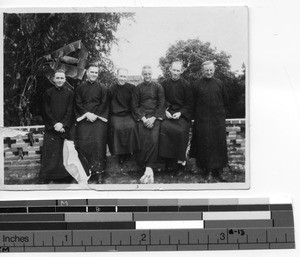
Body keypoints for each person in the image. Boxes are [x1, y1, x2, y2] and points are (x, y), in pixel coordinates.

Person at [190, 61, 229, 181]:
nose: (209, 72)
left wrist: (221, 115)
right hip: (203, 120)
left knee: (219, 145)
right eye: (206, 70)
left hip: (217, 120)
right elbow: (192, 103)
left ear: (214, 70)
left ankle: (219, 171)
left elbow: (226, 100)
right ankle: (207, 171)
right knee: (204, 145)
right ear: (202, 71)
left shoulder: (219, 83)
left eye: (211, 70)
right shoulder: (196, 85)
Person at [74, 63, 109, 184]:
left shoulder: (103, 88)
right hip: (84, 119)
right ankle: (85, 173)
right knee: (84, 144)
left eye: (96, 72)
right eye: (92, 72)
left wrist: (94, 115)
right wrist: (87, 114)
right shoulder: (80, 88)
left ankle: (99, 173)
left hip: (98, 119)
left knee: (99, 145)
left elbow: (104, 103)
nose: (94, 74)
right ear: (87, 73)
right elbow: (78, 103)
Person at [40, 69, 75, 184]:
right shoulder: (48, 93)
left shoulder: (70, 93)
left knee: (65, 154)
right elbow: (46, 110)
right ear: (54, 79)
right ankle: (48, 177)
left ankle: (65, 177)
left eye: (62, 78)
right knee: (50, 153)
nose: (59, 80)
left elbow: (70, 111)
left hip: (65, 129)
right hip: (52, 129)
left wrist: (63, 124)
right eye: (57, 78)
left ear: (65, 79)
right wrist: (55, 124)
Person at [159, 61, 194, 175]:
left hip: (181, 115)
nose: (175, 73)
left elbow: (190, 103)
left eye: (178, 70)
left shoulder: (186, 85)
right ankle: (168, 161)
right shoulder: (163, 84)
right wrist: (165, 111)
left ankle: (181, 163)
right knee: (163, 128)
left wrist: (181, 113)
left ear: (182, 71)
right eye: (174, 70)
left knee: (180, 131)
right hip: (168, 113)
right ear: (170, 69)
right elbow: (160, 100)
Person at [132, 65, 165, 183]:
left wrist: (154, 118)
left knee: (153, 139)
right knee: (143, 139)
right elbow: (135, 105)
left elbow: (161, 104)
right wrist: (144, 119)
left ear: (152, 74)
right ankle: (146, 168)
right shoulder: (137, 88)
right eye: (145, 74)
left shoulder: (158, 87)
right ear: (142, 74)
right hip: (143, 118)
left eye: (149, 74)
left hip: (155, 117)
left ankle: (149, 168)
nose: (147, 76)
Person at [108, 68, 140, 164]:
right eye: (121, 76)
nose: (122, 78)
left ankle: (130, 152)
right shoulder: (111, 89)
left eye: (124, 76)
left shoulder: (132, 88)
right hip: (115, 115)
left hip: (128, 114)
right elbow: (108, 105)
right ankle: (120, 154)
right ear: (117, 76)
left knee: (132, 126)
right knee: (117, 128)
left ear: (127, 77)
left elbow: (135, 103)